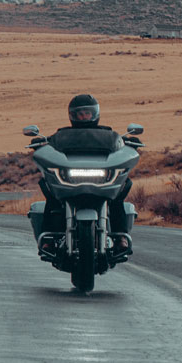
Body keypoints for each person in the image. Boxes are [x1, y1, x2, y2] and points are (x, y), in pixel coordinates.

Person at [39, 93, 133, 250]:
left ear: (95, 114)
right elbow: (49, 147)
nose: (84, 117)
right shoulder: (60, 137)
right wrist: (41, 143)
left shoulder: (109, 136)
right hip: (69, 180)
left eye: (87, 113)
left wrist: (128, 144)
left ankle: (121, 236)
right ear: (72, 115)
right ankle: (48, 238)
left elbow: (120, 148)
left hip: (102, 180)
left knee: (118, 196)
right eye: (80, 114)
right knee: (51, 193)